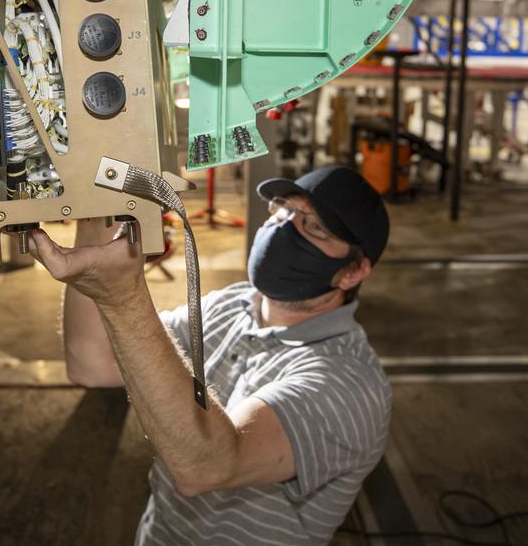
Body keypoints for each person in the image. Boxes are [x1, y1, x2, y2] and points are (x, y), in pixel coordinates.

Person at [29, 164, 392, 545]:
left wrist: (123, 298)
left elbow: (207, 465)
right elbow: (95, 364)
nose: (285, 227)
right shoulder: (233, 305)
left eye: (315, 227)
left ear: (353, 272)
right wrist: (93, 226)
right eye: (284, 209)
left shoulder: (351, 382)